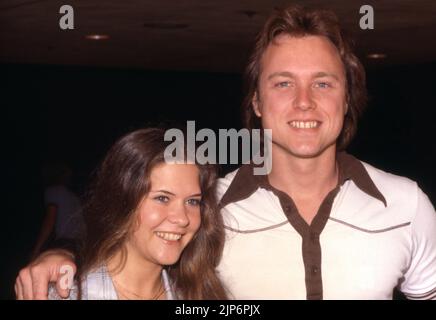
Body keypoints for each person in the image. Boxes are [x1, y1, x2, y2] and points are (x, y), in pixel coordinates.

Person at [16, 5, 436, 300]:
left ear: (348, 100)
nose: (304, 102)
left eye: (324, 83)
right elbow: (125, 235)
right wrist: (61, 253)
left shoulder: (407, 204)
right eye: (283, 83)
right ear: (256, 102)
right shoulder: (206, 207)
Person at [17, 128, 228, 299]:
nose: (182, 218)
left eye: (192, 201)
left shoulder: (200, 295)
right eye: (162, 198)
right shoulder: (63, 295)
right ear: (121, 202)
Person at [31, 162, 83, 260]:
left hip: (66, 243)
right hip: (81, 243)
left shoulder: (53, 191)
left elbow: (50, 219)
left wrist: (36, 249)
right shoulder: (73, 196)